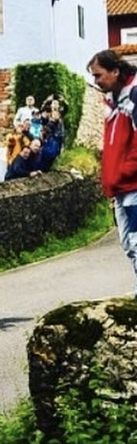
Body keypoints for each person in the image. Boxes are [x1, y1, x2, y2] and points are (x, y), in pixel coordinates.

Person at [88, 49, 137, 296]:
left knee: (136, 242)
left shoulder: (134, 97)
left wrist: (123, 173)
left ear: (115, 71)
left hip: (133, 186)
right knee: (128, 243)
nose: (96, 81)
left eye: (98, 75)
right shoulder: (112, 101)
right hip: (120, 188)